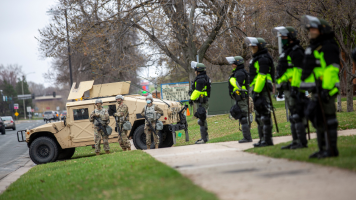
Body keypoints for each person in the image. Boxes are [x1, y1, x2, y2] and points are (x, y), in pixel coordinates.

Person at [300, 15, 340, 158]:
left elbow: (331, 70)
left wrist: (326, 89)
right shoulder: (314, 46)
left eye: (313, 29)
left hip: (327, 89)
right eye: (309, 28)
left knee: (329, 119)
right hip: (317, 89)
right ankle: (322, 149)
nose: (310, 31)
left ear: (322, 30)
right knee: (318, 118)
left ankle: (331, 150)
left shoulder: (328, 46)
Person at [273, 26, 308, 149]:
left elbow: (298, 71)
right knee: (292, 115)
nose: (282, 39)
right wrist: (280, 88)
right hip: (287, 88)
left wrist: (295, 88)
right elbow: (284, 72)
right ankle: (295, 141)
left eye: (284, 37)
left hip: (295, 88)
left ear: (291, 37)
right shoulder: (286, 52)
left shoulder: (297, 51)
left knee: (297, 114)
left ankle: (302, 142)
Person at [244, 37, 275, 147]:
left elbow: (262, 76)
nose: (252, 49)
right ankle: (262, 139)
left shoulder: (263, 58)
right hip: (257, 90)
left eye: (254, 47)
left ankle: (267, 140)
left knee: (265, 115)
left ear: (259, 47)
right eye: (252, 47)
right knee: (258, 116)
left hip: (263, 90)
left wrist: (256, 92)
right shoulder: (256, 58)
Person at [225, 56, 252, 143]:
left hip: (242, 98)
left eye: (234, 63)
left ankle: (247, 138)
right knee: (242, 116)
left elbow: (238, 85)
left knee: (243, 117)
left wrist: (231, 79)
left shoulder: (240, 73)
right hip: (239, 98)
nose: (232, 65)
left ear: (237, 64)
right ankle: (246, 137)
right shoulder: (238, 72)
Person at [189, 62, 211, 144]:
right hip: (201, 102)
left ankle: (204, 139)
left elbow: (197, 91)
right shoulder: (204, 78)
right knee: (202, 120)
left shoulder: (201, 79)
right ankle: (204, 138)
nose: (195, 72)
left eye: (195, 70)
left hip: (202, 102)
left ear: (198, 71)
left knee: (202, 120)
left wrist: (191, 98)